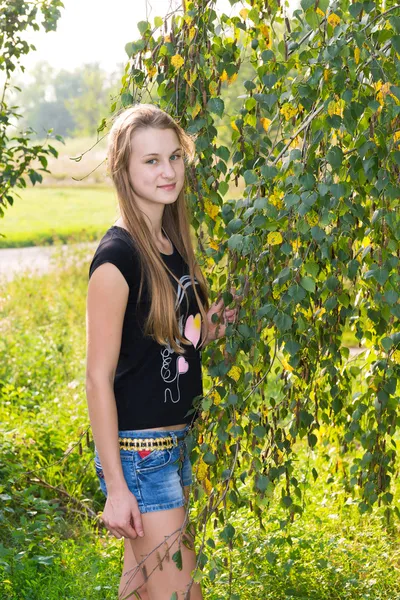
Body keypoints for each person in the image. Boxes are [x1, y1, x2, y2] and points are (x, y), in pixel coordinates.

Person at [85, 103, 239, 600]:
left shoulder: (170, 244)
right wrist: (116, 488)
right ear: (123, 169)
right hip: (141, 456)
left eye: (174, 156)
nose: (168, 171)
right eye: (151, 161)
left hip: (174, 449)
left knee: (142, 594)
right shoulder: (118, 258)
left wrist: (211, 325)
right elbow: (98, 377)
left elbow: (169, 338)